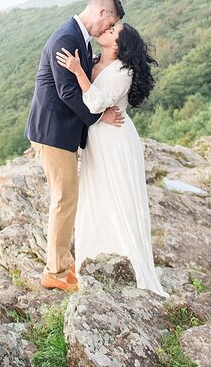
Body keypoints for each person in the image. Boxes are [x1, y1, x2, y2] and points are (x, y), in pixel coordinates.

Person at [55, 21, 167, 297]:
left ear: (119, 45)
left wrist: (77, 72)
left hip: (115, 140)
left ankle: (130, 264)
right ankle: (94, 259)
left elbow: (96, 103)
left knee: (118, 196)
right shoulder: (93, 59)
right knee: (96, 196)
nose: (108, 30)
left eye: (114, 31)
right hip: (96, 139)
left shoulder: (123, 72)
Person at [24, 0, 126, 291]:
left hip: (60, 131)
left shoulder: (79, 37)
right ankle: (55, 272)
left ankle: (61, 263)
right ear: (103, 11)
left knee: (66, 196)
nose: (108, 28)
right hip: (53, 131)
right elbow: (67, 92)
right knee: (64, 198)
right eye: (111, 22)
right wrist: (99, 116)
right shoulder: (66, 38)